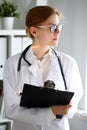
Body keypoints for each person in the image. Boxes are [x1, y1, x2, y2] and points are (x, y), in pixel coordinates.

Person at [3, 5, 83, 130]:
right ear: (34, 31)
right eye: (52, 27)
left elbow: (74, 103)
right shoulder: (12, 64)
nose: (58, 32)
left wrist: (66, 109)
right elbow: (11, 110)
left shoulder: (68, 63)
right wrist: (51, 112)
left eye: (58, 27)